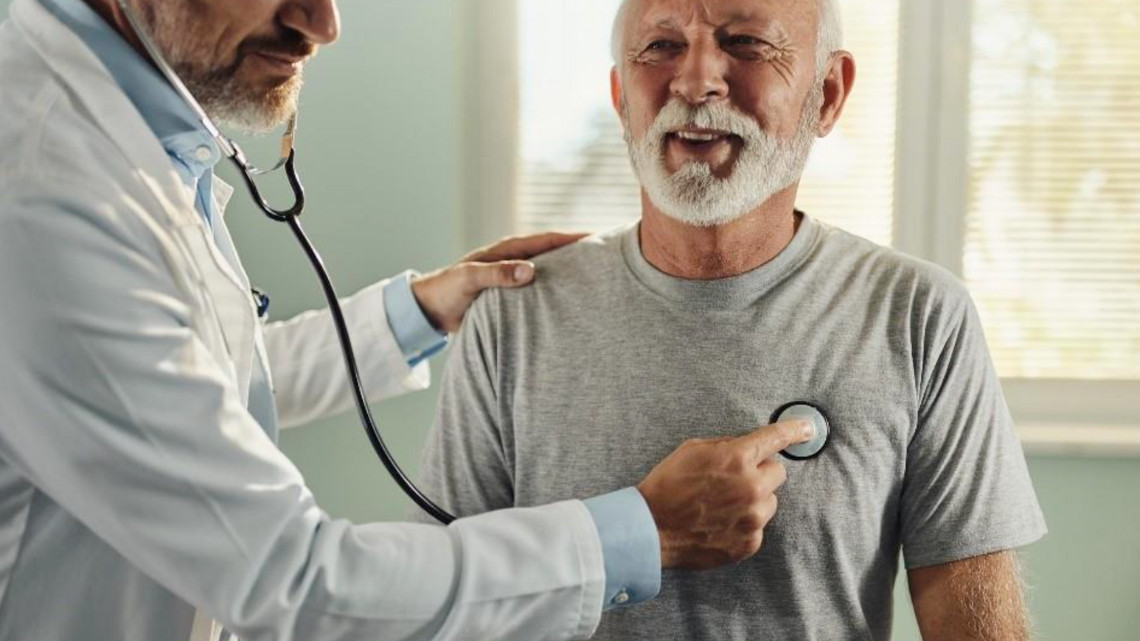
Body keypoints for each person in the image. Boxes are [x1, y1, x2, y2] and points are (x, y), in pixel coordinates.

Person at [0, 0, 819, 640]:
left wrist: (419, 310)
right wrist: (642, 531)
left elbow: (173, 387)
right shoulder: (44, 191)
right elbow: (295, 583)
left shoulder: (129, 138)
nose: (323, 24)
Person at [415, 0, 1049, 639]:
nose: (695, 83)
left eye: (746, 43)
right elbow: (445, 610)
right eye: (660, 47)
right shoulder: (511, 317)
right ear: (620, 97)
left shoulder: (919, 316)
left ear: (828, 94)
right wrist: (642, 528)